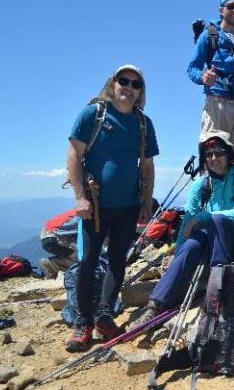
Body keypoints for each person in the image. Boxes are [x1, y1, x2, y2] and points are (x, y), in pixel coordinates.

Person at [65, 64, 158, 351]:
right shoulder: (92, 115)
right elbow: (73, 156)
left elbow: (148, 166)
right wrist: (80, 198)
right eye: (123, 81)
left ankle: (104, 315)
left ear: (141, 92)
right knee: (88, 261)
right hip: (94, 205)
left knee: (117, 261)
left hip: (128, 205)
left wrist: (145, 202)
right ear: (113, 83)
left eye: (135, 84)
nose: (128, 87)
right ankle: (83, 323)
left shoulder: (143, 124)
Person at [131, 132, 234, 328]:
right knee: (193, 244)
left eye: (219, 153)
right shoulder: (200, 185)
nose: (213, 158)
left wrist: (203, 218)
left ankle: (217, 288)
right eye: (208, 154)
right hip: (208, 242)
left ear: (229, 154)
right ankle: (156, 303)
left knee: (218, 220)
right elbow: (187, 224)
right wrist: (181, 254)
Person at [187, 0, 234, 150]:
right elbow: (192, 67)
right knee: (214, 154)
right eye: (230, 6)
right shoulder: (209, 35)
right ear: (221, 10)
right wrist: (203, 77)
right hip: (217, 103)